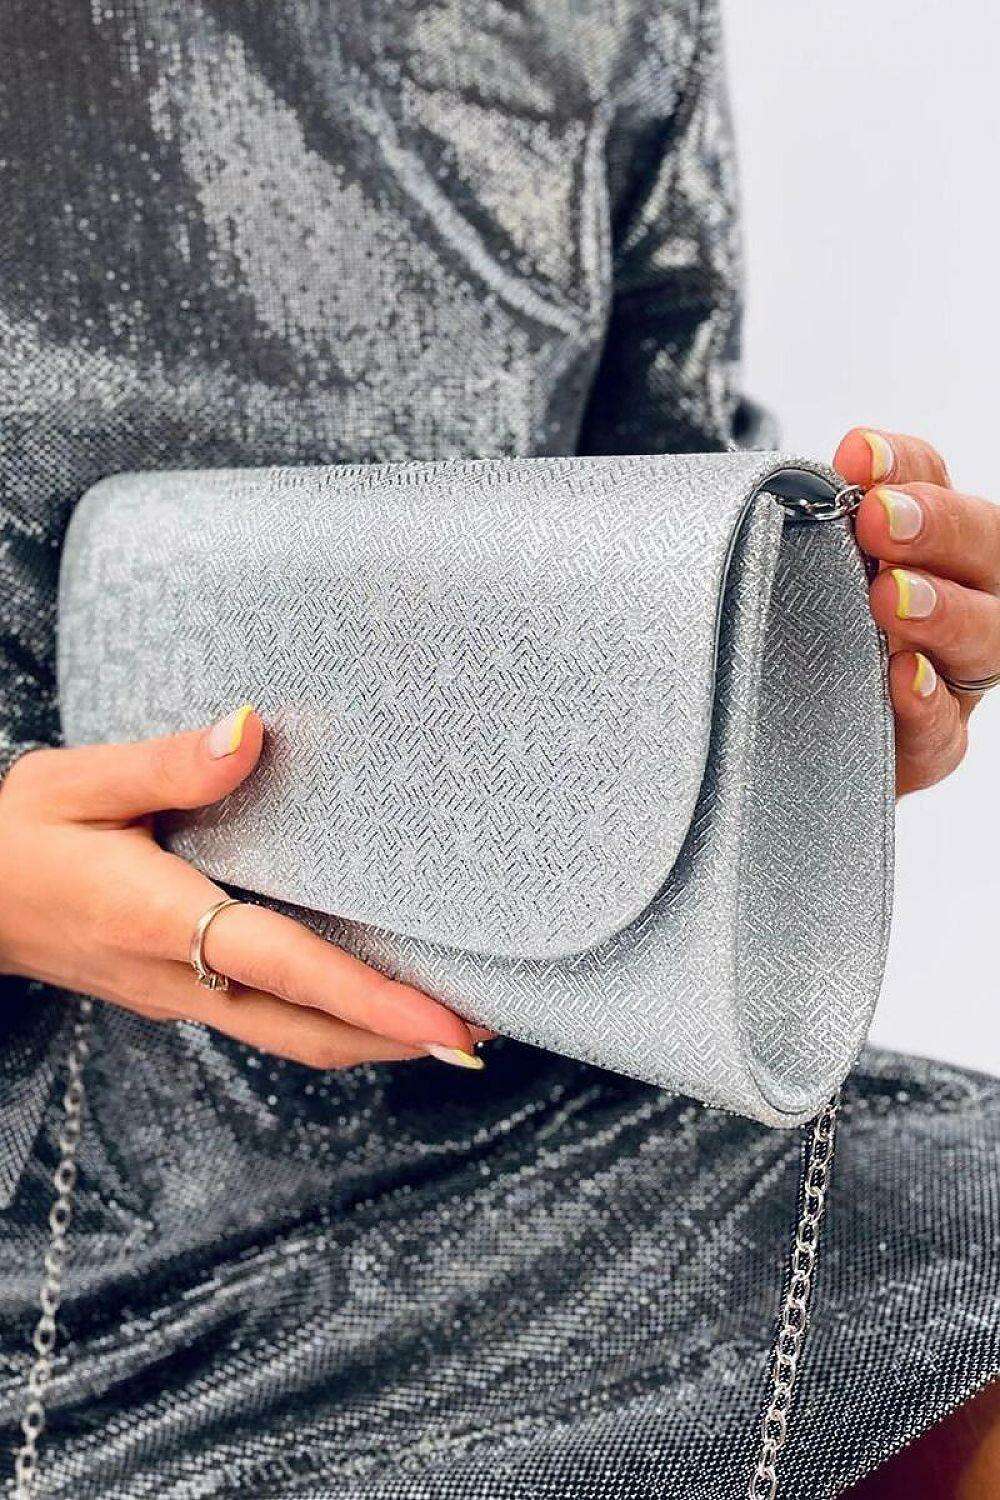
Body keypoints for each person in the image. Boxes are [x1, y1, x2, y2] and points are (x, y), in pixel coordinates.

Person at [1, 3, 998, 1495]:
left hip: (542, 1070)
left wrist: (796, 701)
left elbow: (651, 507)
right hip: (59, 1194)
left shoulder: (610, 23)